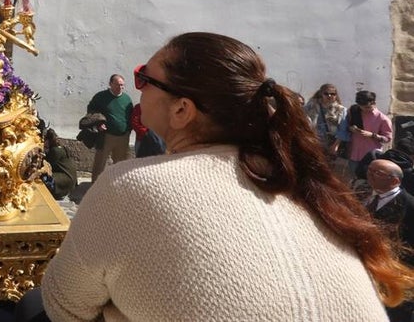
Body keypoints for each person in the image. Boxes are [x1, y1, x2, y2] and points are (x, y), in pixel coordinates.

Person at [37, 32, 414, 321]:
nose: (137, 86)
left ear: (182, 110)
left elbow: (63, 306)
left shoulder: (130, 185)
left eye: (144, 79)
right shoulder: (298, 183)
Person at [366, 159, 414, 321]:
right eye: (370, 170)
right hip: (370, 264)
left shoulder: (409, 206)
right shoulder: (366, 194)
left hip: (396, 270)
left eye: (378, 173)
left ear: (395, 180)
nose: (370, 175)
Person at [86, 73, 133, 181]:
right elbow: (91, 111)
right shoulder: (101, 97)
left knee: (121, 163)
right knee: (100, 162)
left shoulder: (127, 99)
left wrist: (128, 130)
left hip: (123, 136)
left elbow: (130, 115)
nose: (120, 87)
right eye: (117, 85)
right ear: (110, 84)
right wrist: (98, 124)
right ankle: (96, 186)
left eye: (122, 85)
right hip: (106, 135)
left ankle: (117, 185)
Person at [339, 89, 394, 180]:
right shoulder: (353, 111)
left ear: (374, 103)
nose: (365, 110)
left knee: (370, 181)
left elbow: (387, 138)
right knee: (355, 180)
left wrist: (372, 135)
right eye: (362, 107)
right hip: (354, 153)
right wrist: (351, 129)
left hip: (371, 156)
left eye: (368, 107)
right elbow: (345, 127)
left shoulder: (383, 119)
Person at [304, 82, 346, 161]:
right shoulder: (310, 107)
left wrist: (335, 146)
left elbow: (343, 130)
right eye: (326, 94)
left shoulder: (341, 110)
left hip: (331, 144)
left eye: (332, 94)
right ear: (321, 94)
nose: (329, 96)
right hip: (313, 142)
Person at [42, 127, 77, 200]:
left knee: (44, 178)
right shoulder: (61, 147)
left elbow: (48, 165)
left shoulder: (55, 151)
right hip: (71, 177)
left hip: (66, 178)